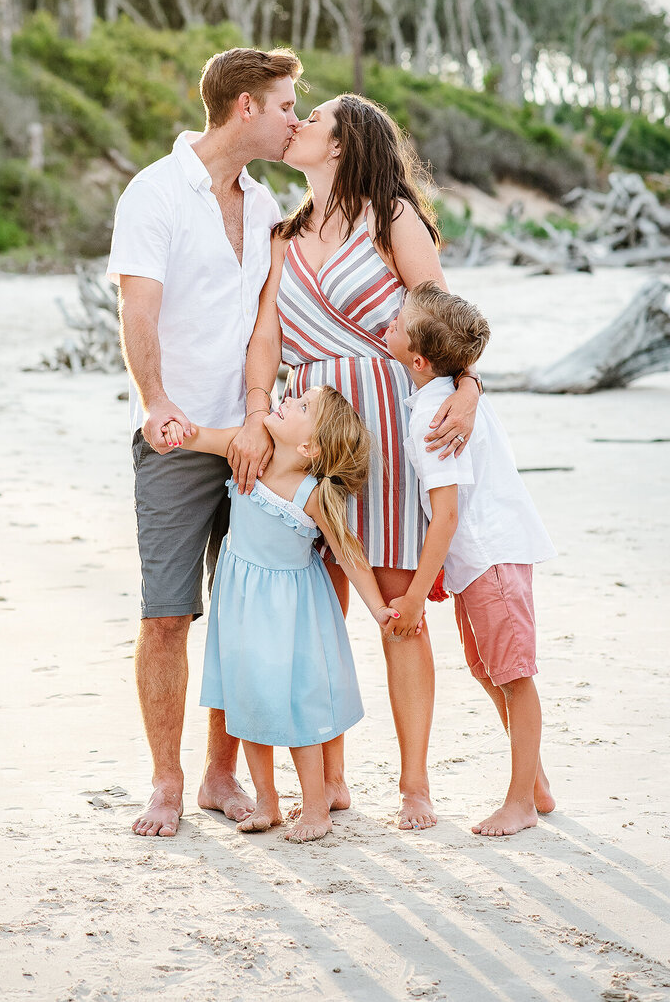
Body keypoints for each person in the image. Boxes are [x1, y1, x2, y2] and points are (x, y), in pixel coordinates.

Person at [227, 94, 482, 831]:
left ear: (341, 146)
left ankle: (414, 783)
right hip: (309, 432)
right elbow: (267, 342)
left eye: (314, 121)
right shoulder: (282, 236)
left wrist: (465, 388)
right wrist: (254, 415)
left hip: (391, 431)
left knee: (398, 608)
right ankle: (330, 778)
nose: (297, 124)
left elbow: (447, 324)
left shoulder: (390, 218)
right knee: (318, 608)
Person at [106, 46, 303, 837]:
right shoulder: (153, 192)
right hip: (180, 436)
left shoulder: (262, 205)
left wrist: (261, 414)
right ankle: (165, 777)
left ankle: (222, 774)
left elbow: (266, 321)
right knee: (166, 614)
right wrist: (156, 401)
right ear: (246, 107)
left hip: (254, 436)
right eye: (287, 103)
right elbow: (139, 311)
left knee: (240, 613)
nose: (295, 117)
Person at [163, 386, 407, 842]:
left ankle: (316, 808)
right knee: (248, 699)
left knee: (299, 707)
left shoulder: (310, 492)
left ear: (310, 447)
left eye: (303, 406)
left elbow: (348, 554)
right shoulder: (249, 448)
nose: (289, 399)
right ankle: (267, 800)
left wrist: (377, 607)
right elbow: (200, 437)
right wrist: (175, 429)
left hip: (291, 613)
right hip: (241, 604)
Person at [385, 280, 557, 835]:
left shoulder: (434, 417)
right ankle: (535, 782)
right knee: (488, 667)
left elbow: (449, 515)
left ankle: (522, 804)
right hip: (478, 562)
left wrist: (413, 598)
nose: (390, 319)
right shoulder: (445, 395)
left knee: (513, 675)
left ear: (417, 358)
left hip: (491, 557)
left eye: (399, 320)